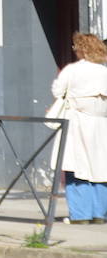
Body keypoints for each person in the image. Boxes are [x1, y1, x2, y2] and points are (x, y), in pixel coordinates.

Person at [48, 32, 107, 224]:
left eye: (75, 47)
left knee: (75, 166)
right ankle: (100, 213)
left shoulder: (72, 70)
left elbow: (57, 90)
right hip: (101, 124)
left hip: (77, 122)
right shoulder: (103, 71)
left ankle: (80, 214)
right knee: (100, 167)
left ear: (81, 49)